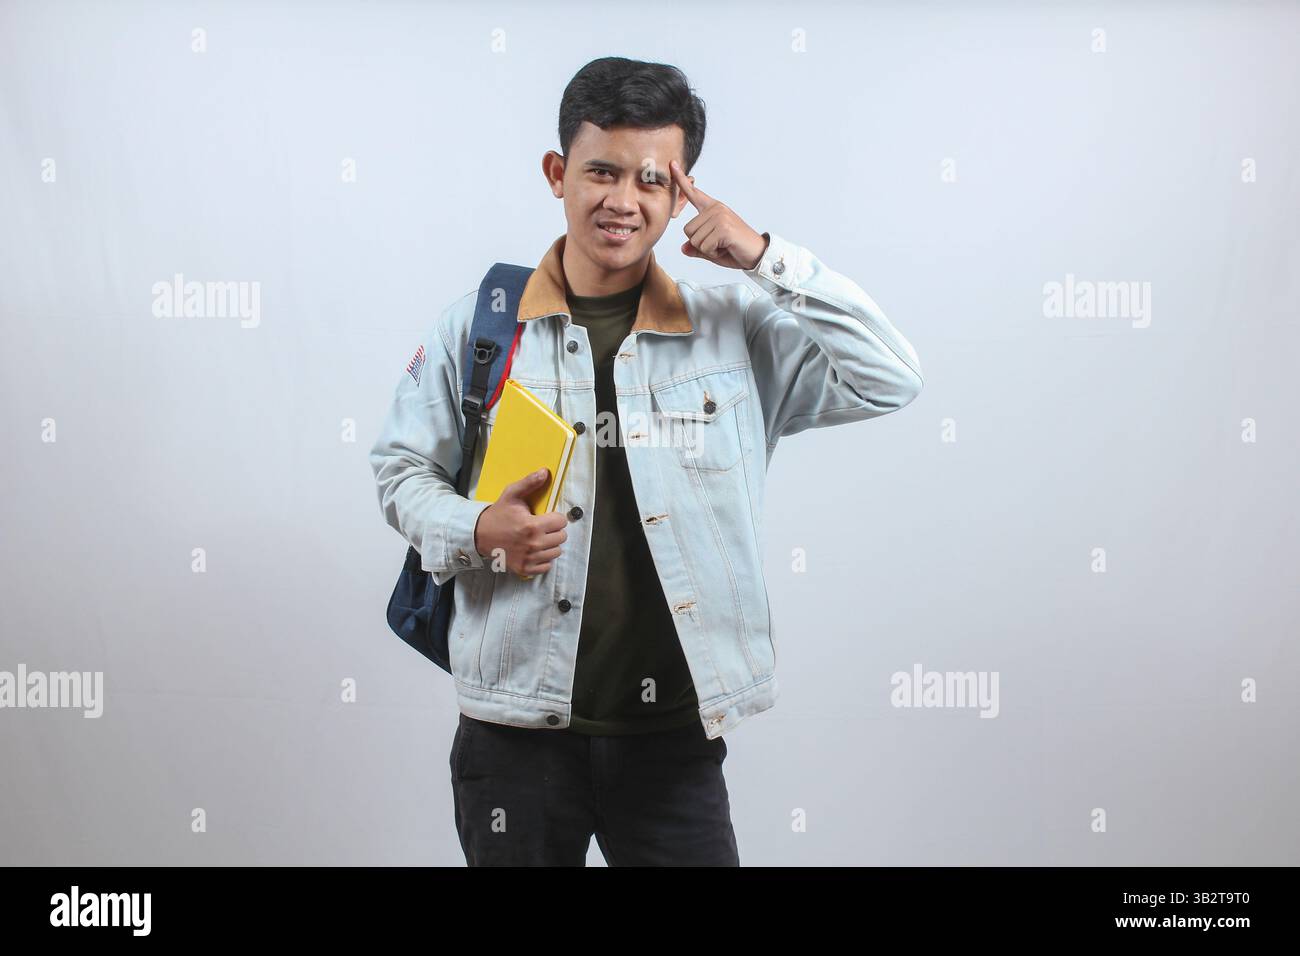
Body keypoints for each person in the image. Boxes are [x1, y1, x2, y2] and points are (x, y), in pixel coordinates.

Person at [369, 56, 924, 866]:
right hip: (514, 736)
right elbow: (399, 470)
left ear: (681, 190)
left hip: (672, 740)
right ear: (558, 172)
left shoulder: (736, 329)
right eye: (600, 171)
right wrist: (480, 528)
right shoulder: (483, 325)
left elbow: (891, 377)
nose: (623, 201)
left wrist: (767, 258)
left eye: (652, 180)